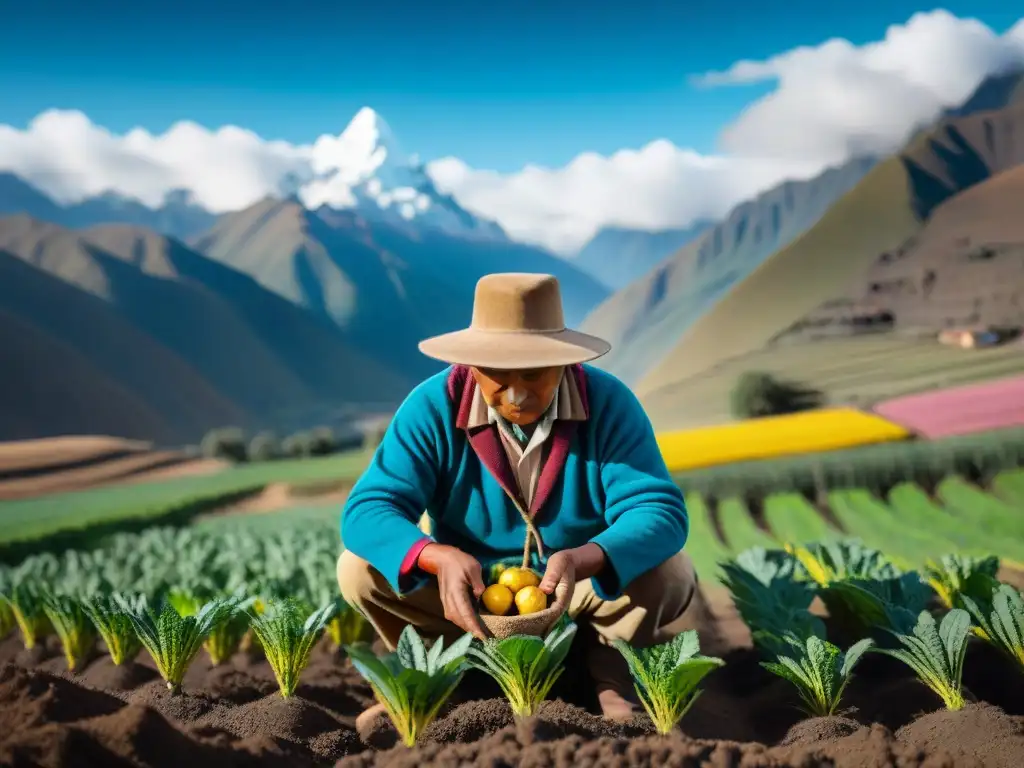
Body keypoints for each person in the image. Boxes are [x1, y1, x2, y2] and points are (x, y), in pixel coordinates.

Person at [337, 272, 712, 728]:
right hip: (469, 601)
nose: (516, 394)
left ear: (563, 362)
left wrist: (584, 559)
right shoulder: (430, 407)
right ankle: (444, 678)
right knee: (358, 570)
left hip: (579, 592)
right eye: (496, 374)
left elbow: (659, 511)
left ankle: (614, 676)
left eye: (534, 372)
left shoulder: (609, 403)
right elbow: (367, 509)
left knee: (668, 569)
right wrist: (437, 558)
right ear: (471, 364)